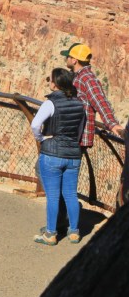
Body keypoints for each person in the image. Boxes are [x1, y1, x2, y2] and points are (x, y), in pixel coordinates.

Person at [31, 68, 86, 245]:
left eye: (51, 80)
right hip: (73, 155)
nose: (49, 83)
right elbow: (79, 130)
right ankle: (74, 232)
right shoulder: (79, 104)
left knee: (53, 196)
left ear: (56, 83)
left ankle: (51, 234)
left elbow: (35, 124)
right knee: (70, 194)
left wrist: (42, 139)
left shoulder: (50, 103)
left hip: (52, 154)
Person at [61, 43, 124, 148]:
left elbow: (99, 101)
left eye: (68, 56)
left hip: (77, 137)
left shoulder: (87, 78)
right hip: (69, 135)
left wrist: (112, 124)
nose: (66, 59)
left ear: (74, 60)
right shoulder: (76, 76)